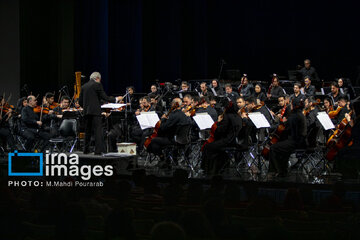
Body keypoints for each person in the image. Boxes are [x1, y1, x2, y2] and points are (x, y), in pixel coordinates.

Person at [78, 72, 122, 155]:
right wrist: (116, 99)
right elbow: (105, 97)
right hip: (95, 112)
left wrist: (86, 107)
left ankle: (86, 150)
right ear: (97, 78)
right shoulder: (97, 85)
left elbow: (80, 101)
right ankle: (98, 151)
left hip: (86, 112)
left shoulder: (84, 86)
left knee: (87, 131)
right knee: (97, 131)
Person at [268, 99, 307, 177]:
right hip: (301, 141)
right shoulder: (300, 114)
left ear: (294, 106)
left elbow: (286, 130)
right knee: (282, 147)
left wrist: (282, 124)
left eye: (291, 105)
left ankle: (277, 171)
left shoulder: (294, 116)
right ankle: (283, 169)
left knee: (273, 148)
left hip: (296, 142)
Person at [146, 98, 190, 167]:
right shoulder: (183, 115)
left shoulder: (174, 116)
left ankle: (162, 158)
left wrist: (163, 119)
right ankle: (167, 160)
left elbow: (163, 127)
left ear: (173, 104)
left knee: (153, 140)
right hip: (184, 139)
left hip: (175, 140)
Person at [202, 102, 242, 175]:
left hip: (226, 141)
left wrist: (218, 122)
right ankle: (220, 166)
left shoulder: (227, 116)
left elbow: (220, 130)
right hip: (234, 142)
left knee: (207, 147)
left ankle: (207, 169)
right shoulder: (239, 117)